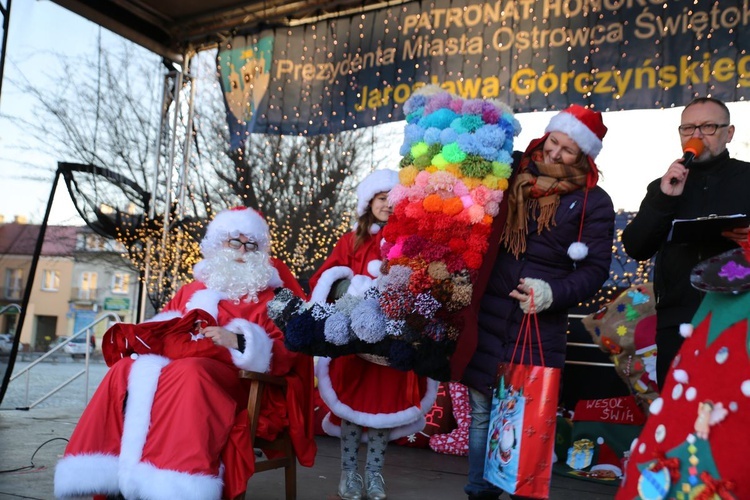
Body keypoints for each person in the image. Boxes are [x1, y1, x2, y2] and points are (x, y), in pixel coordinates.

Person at [53, 207, 316, 500]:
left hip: (240, 385)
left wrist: (238, 340)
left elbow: (289, 350)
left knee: (190, 371)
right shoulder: (192, 289)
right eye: (234, 242)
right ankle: (113, 474)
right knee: (125, 370)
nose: (243, 250)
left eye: (251, 244)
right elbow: (166, 326)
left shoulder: (274, 297)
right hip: (183, 373)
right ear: (217, 245)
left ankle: (175, 485)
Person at [450, 105, 616, 500]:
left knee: (523, 420)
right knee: (481, 415)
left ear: (585, 156)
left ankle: (516, 490)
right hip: (488, 314)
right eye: (553, 143)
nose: (555, 154)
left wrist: (552, 293)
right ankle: (478, 492)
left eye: (568, 151)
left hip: (538, 324)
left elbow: (594, 270)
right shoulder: (509, 175)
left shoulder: (595, 203)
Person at [308, 169, 438, 500]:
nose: (388, 206)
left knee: (382, 410)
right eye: (382, 199)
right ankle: (348, 475)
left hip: (391, 340)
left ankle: (375, 475)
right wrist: (350, 288)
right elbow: (326, 279)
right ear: (370, 202)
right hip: (354, 340)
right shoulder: (352, 241)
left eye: (393, 200)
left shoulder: (409, 242)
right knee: (354, 407)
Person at [621, 97, 750, 390]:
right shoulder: (664, 184)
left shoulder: (747, 177)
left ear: (728, 133)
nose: (697, 136)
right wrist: (664, 198)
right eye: (688, 128)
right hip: (678, 317)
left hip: (740, 314)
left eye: (708, 127)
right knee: (679, 410)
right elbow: (636, 247)